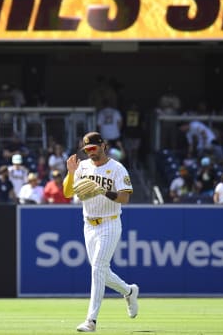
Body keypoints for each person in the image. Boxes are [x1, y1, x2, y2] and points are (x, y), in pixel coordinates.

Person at [62, 132, 138, 333]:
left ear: (103, 146)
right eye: (87, 150)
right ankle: (129, 291)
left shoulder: (116, 168)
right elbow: (68, 192)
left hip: (110, 223)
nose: (90, 153)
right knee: (102, 270)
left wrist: (103, 191)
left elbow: (124, 198)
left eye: (93, 148)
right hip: (89, 224)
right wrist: (71, 173)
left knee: (97, 268)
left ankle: (91, 321)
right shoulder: (83, 166)